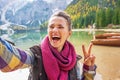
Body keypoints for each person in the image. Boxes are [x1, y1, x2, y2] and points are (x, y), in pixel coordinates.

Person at [0, 10, 96, 80]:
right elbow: (15, 60)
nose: (54, 30)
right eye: (51, 27)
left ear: (69, 33)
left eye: (60, 27)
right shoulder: (36, 54)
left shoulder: (73, 60)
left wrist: (88, 69)